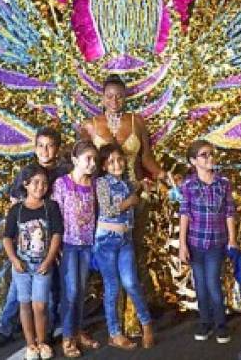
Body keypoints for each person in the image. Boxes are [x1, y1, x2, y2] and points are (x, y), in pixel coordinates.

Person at [80, 75, 171, 335]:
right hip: (104, 200)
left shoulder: (136, 122)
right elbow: (83, 162)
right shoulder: (90, 126)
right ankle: (114, 323)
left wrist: (162, 175)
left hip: (135, 197)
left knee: (133, 257)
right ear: (102, 97)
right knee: (107, 259)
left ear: (126, 97)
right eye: (109, 95)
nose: (114, 100)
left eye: (119, 95)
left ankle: (134, 320)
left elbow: (146, 158)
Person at [0, 127, 69, 349]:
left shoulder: (64, 171)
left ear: (57, 148)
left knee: (49, 293)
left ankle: (46, 334)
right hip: (27, 246)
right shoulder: (26, 172)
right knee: (17, 292)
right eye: (41, 145)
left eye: (50, 145)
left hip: (52, 240)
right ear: (35, 148)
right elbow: (15, 205)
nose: (45, 150)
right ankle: (6, 329)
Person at [94, 143, 155, 350]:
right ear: (103, 166)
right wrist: (128, 203)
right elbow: (108, 209)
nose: (116, 164)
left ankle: (146, 324)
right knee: (112, 287)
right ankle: (114, 333)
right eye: (110, 161)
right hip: (106, 241)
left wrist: (144, 194)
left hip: (125, 240)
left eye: (119, 159)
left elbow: (136, 212)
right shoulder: (102, 183)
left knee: (131, 283)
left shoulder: (129, 185)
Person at [2, 164, 63, 360]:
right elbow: (7, 238)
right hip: (22, 267)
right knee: (25, 304)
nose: (40, 186)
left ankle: (43, 341)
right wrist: (14, 259)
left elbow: (56, 235)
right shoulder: (17, 210)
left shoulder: (51, 207)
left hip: (42, 266)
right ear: (26, 184)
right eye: (35, 182)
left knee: (40, 306)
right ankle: (30, 345)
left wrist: (48, 261)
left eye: (44, 183)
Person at [179, 139, 236, 344]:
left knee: (212, 282)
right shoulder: (188, 184)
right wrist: (182, 244)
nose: (210, 158)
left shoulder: (223, 183)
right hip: (195, 242)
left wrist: (232, 239)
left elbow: (229, 212)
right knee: (200, 284)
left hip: (216, 242)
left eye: (211, 154)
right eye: (204, 155)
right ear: (193, 161)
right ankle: (205, 321)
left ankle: (221, 324)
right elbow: (184, 213)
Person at [51, 140, 100, 358]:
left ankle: (78, 330)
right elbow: (55, 216)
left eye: (94, 159)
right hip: (69, 245)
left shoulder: (94, 184)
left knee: (80, 291)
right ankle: (67, 336)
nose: (92, 164)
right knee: (70, 291)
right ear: (75, 160)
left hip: (87, 245)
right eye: (87, 159)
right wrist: (57, 244)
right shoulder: (61, 184)